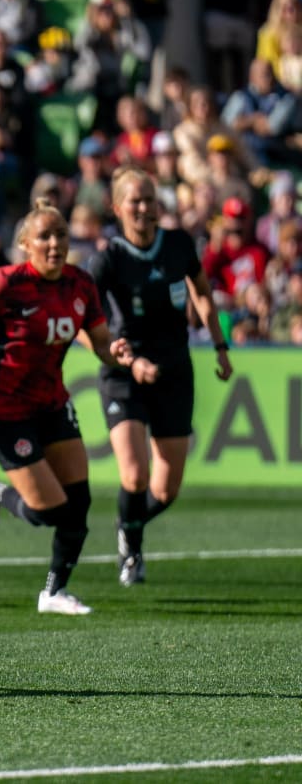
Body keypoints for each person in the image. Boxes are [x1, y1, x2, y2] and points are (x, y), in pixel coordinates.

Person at [0, 198, 137, 615]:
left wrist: (117, 353)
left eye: (61, 235)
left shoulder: (81, 285)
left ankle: (53, 592)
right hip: (2, 408)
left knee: (78, 507)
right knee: (48, 511)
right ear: (26, 244)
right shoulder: (6, 283)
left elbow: (101, 344)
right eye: (44, 236)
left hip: (51, 403)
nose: (54, 244)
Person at [87, 169, 231, 586]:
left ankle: (127, 526)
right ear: (117, 208)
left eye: (149, 198)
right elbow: (85, 315)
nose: (144, 207)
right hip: (124, 372)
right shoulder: (108, 258)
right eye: (134, 200)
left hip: (173, 369)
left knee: (165, 491)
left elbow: (202, 291)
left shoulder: (179, 244)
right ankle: (132, 553)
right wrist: (121, 356)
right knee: (134, 475)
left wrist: (220, 345)